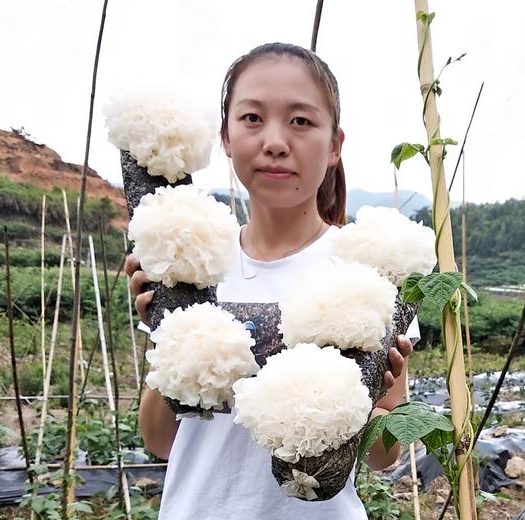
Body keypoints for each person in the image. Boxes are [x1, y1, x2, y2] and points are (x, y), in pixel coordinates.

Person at [125, 42, 415, 520]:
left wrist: (365, 397)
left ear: (335, 144)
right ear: (225, 137)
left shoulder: (368, 270)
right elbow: (160, 440)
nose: (276, 141)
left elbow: (385, 458)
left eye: (301, 121)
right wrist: (166, 337)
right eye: (253, 118)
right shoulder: (191, 261)